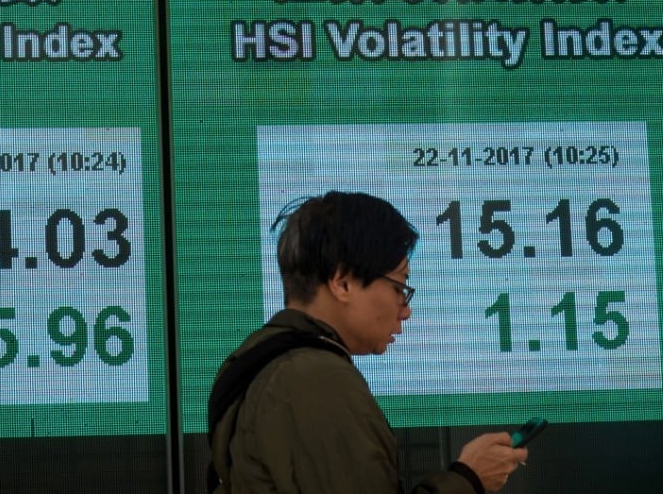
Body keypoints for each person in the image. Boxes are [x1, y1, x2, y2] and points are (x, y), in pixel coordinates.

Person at [208, 191, 528, 494]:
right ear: (342, 282)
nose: (405, 310)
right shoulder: (315, 380)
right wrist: (468, 479)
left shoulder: (265, 365)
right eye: (398, 287)